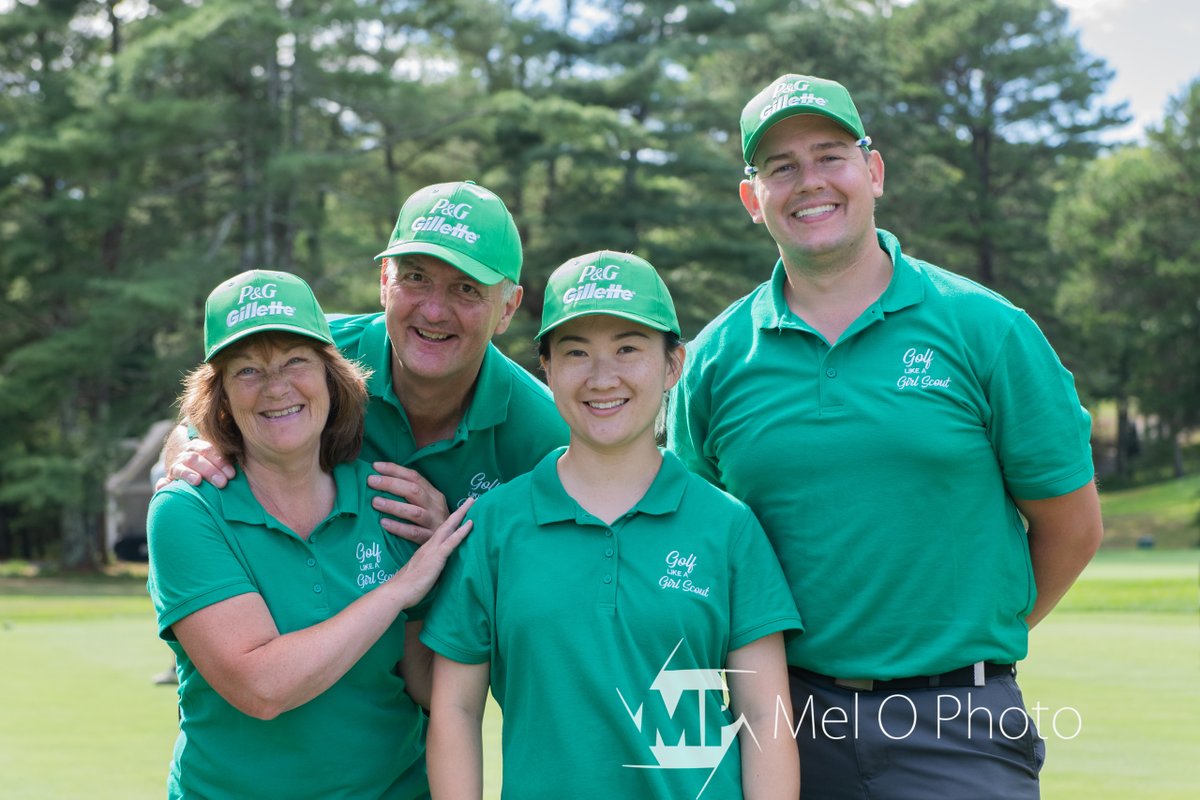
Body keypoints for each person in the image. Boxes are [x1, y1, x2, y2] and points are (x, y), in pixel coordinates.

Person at [667, 74, 1104, 799]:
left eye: (830, 155)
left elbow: (1073, 526)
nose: (810, 182)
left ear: (873, 170)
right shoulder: (714, 359)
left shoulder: (987, 329)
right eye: (781, 167)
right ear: (753, 199)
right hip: (783, 726)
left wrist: (961, 637)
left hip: (959, 724)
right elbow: (692, 549)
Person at [421, 251, 803, 799]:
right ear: (546, 370)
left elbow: (765, 718)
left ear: (673, 365)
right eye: (577, 352)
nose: (603, 377)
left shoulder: (727, 527)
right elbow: (456, 709)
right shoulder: (494, 525)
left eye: (628, 348)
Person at [147, 269, 473, 798]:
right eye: (248, 370)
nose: (277, 387)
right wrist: (397, 591)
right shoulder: (189, 510)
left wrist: (461, 573)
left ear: (330, 376)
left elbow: (427, 682)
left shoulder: (388, 495)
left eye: (296, 361)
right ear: (222, 398)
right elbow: (262, 687)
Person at [161, 181, 568, 541]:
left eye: (465, 288)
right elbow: (189, 433)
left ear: (508, 308)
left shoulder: (546, 431)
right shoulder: (312, 356)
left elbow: (554, 583)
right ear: (384, 282)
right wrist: (191, 451)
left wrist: (462, 538)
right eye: (415, 278)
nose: (433, 311)